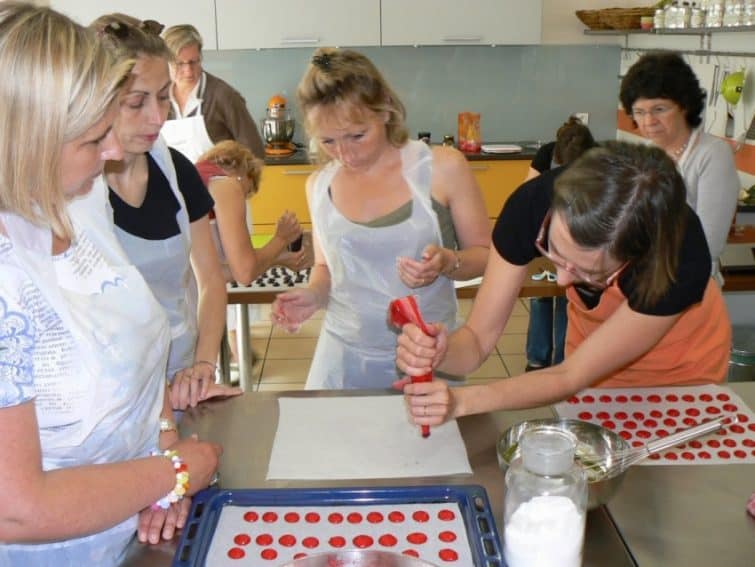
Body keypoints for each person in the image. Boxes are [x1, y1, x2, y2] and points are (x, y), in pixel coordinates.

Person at [0, 4, 220, 564]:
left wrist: (164, 462)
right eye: (94, 138)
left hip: (132, 534)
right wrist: (173, 471)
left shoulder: (78, 203)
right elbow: (16, 507)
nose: (115, 151)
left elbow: (141, 351)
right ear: (29, 138)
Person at [395, 142, 731, 425]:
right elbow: (477, 342)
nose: (562, 280)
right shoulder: (529, 207)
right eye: (552, 251)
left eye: (587, 273)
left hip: (681, 367)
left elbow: (569, 376)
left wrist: (463, 402)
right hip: (588, 356)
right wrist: (442, 351)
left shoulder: (679, 262)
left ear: (633, 258)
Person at [271, 47, 491, 390]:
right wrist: (314, 295)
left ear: (385, 110)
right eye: (328, 141)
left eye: (357, 135)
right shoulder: (319, 186)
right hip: (342, 358)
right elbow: (327, 269)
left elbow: (485, 256)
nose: (344, 153)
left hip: (427, 356)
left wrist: (448, 262)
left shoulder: (441, 168)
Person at [91, 14, 236, 409]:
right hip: (112, 395)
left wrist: (204, 366)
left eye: (162, 97)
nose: (157, 117)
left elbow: (210, 280)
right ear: (96, 99)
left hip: (183, 376)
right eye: (137, 102)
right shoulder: (76, 188)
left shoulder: (175, 172)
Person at [619, 52, 740, 284]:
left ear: (684, 105)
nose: (648, 121)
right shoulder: (644, 153)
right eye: (640, 112)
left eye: (659, 109)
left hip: (688, 283)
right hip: (645, 278)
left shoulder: (712, 155)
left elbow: (708, 243)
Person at [195, 140, 308, 361]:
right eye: (247, 191)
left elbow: (212, 271)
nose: (243, 199)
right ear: (242, 173)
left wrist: (278, 258)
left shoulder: (195, 175)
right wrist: (280, 238)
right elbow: (244, 272)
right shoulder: (226, 184)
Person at [523, 117, 596, 371]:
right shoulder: (545, 155)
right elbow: (527, 195)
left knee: (568, 297)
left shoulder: (597, 160)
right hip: (543, 235)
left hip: (579, 238)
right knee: (541, 295)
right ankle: (537, 359)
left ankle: (563, 361)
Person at [161, 23, 265, 161]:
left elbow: (254, 152)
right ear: (166, 61)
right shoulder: (159, 97)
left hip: (217, 182)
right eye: (179, 63)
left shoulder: (223, 96)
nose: (188, 71)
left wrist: (236, 181)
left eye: (194, 62)